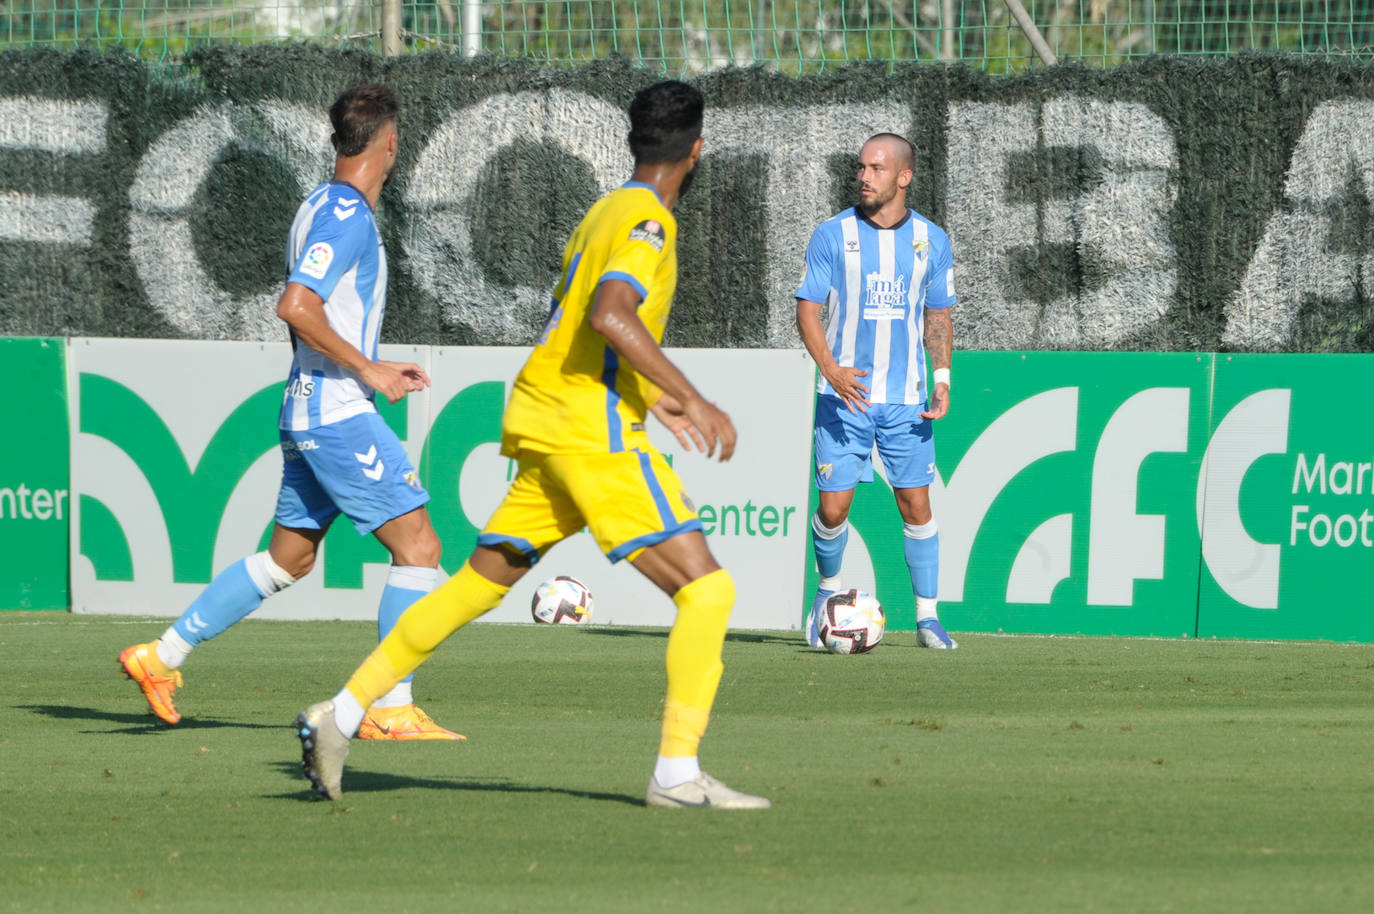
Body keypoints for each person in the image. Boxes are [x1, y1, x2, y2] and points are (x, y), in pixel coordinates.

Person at [294, 80, 769, 810]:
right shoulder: (648, 221)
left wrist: (654, 395)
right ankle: (677, 774)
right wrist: (692, 395)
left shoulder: (606, 208)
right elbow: (613, 315)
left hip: (545, 415)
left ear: (634, 143)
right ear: (696, 151)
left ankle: (343, 713)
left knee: (477, 584)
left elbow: (573, 318)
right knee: (709, 591)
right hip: (589, 429)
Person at [118, 84, 460, 740]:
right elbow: (296, 306)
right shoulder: (345, 214)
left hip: (309, 408)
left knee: (288, 561)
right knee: (420, 548)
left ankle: (160, 657)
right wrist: (366, 371)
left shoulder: (318, 205)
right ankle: (389, 708)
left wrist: (368, 362)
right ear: (389, 143)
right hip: (336, 413)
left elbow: (318, 315)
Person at [796, 133, 959, 651]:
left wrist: (941, 378)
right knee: (834, 510)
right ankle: (826, 596)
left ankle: (928, 619)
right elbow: (808, 309)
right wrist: (832, 369)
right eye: (861, 168)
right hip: (844, 398)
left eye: (876, 168)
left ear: (903, 177)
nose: (864, 177)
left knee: (916, 504)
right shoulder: (831, 234)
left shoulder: (932, 240)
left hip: (906, 398)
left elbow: (938, 314)